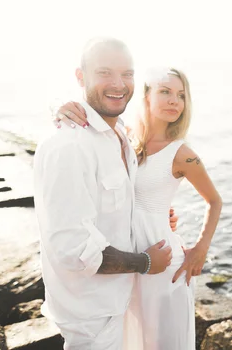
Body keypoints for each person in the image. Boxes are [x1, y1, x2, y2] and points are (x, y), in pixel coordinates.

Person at [55, 67, 222, 349]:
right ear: (146, 96)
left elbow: (215, 201)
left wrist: (200, 249)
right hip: (127, 259)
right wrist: (64, 109)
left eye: (181, 95)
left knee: (163, 341)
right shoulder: (124, 137)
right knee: (131, 338)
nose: (174, 101)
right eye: (165, 92)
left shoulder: (183, 154)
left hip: (164, 261)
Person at [34, 37, 175, 349]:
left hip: (123, 302)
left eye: (127, 74)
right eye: (105, 73)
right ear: (80, 77)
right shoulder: (68, 146)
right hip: (93, 318)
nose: (118, 84)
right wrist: (145, 262)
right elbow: (74, 248)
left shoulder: (119, 135)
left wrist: (150, 217)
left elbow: (115, 205)